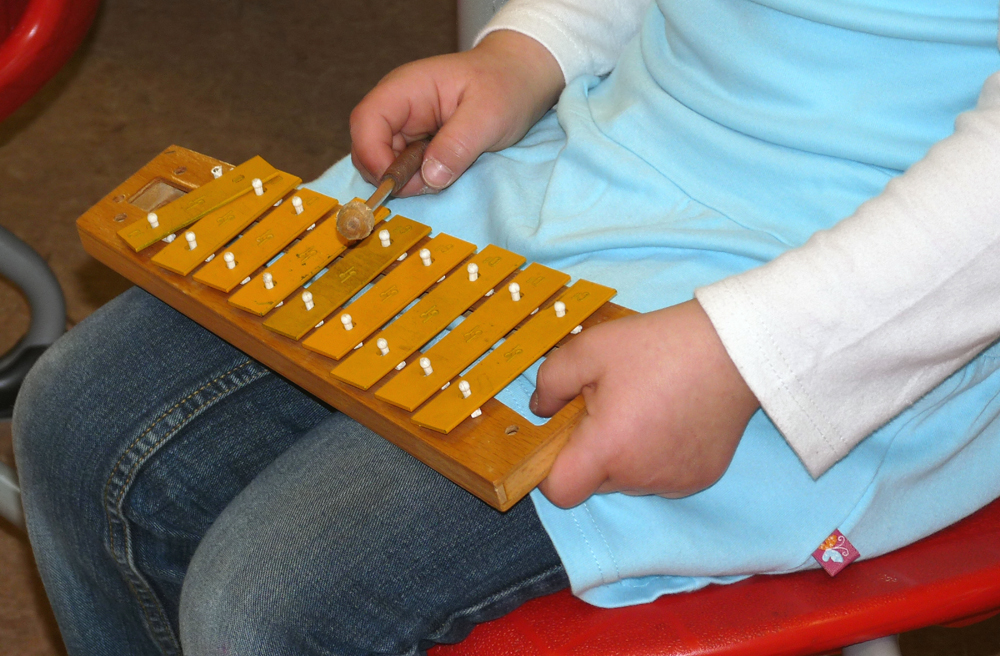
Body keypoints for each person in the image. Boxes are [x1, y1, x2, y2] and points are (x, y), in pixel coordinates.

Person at [13, 0, 1000, 654]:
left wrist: (747, 351)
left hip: (875, 293)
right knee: (77, 416)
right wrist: (528, 52)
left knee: (270, 597)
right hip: (616, 153)